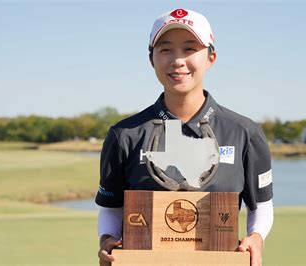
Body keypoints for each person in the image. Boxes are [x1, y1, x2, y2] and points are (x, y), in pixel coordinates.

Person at [96, 8, 273, 266]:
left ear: (211, 57)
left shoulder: (244, 132)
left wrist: (256, 238)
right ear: (151, 59)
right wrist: (107, 240)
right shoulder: (124, 134)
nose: (177, 60)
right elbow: (112, 207)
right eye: (166, 49)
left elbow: (260, 206)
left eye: (190, 49)